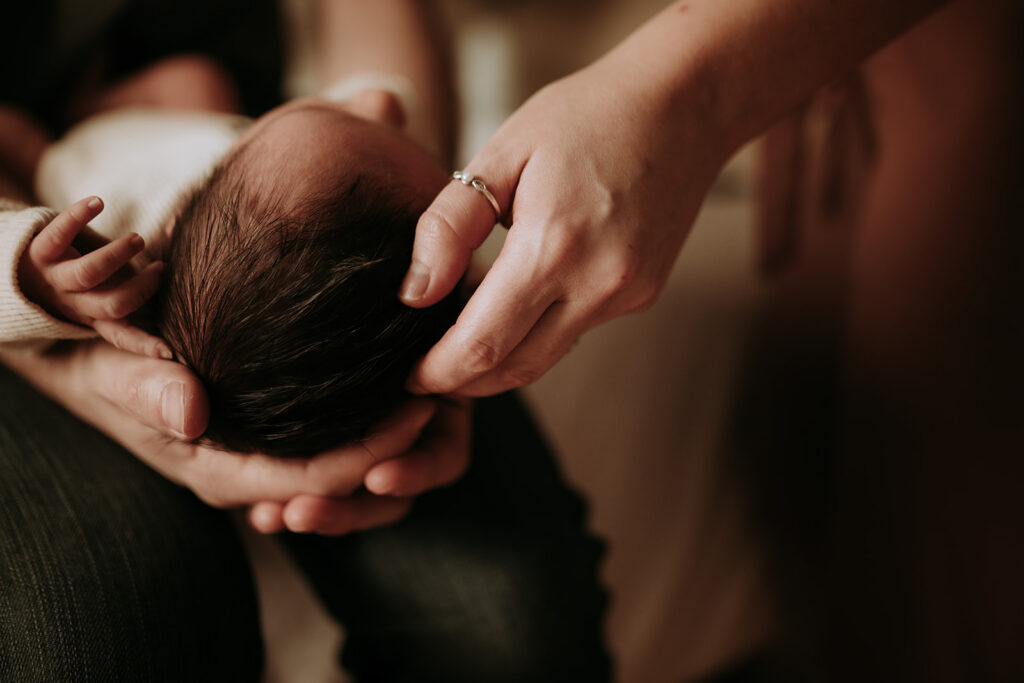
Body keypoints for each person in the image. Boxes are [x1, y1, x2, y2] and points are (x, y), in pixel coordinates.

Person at [398, 0, 1024, 680]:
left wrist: (692, 96)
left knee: (947, 535)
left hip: (950, 55)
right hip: (830, 67)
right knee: (823, 495)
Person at [0, 2, 612, 681]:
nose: (383, 100)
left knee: (515, 629)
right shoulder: (232, 173)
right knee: (111, 641)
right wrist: (65, 364)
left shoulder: (119, 232)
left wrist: (29, 279)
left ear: (180, 213)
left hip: (67, 164)